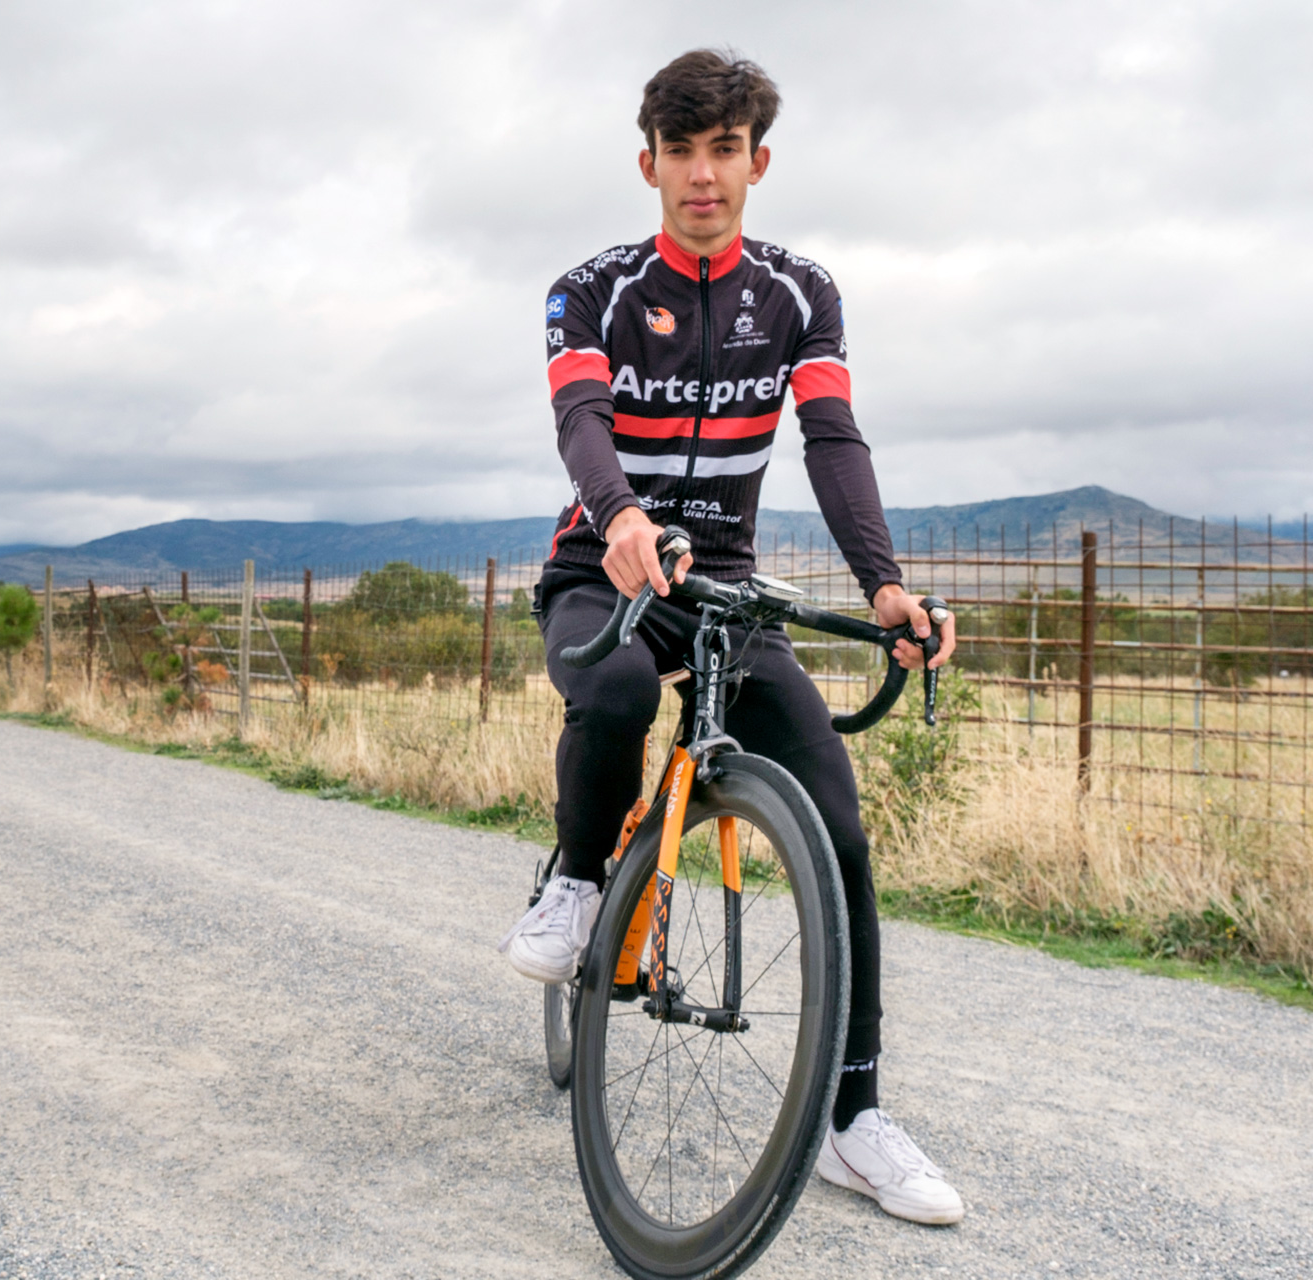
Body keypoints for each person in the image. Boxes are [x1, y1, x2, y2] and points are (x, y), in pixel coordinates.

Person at [498, 49, 965, 1226]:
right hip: (604, 566)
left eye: (725, 150)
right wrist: (619, 516)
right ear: (648, 163)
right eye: (682, 151)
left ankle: (854, 1118)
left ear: (758, 162)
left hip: (725, 590)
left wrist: (886, 584)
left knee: (838, 829)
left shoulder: (801, 293)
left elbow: (832, 439)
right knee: (613, 694)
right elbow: (579, 415)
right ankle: (579, 880)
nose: (702, 174)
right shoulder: (592, 288)